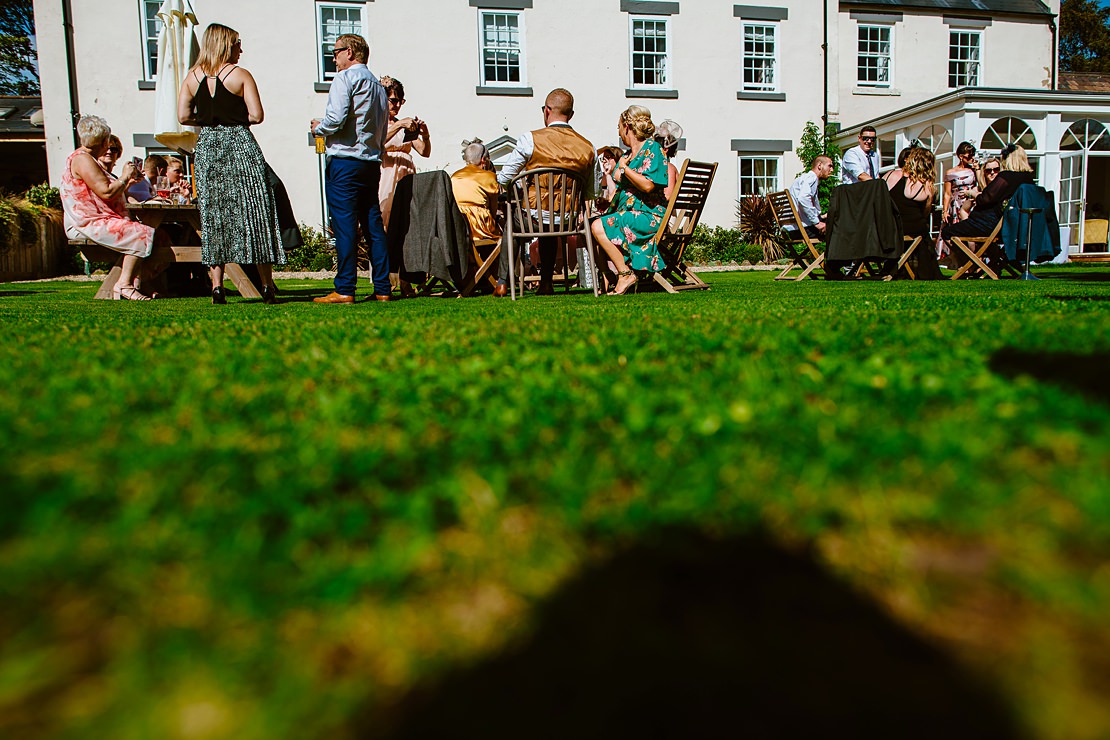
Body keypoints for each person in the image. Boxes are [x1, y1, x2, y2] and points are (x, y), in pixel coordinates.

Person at [179, 22, 284, 305]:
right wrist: (234, 119)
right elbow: (257, 115)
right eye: (237, 43)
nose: (241, 49)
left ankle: (217, 286)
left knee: (214, 215)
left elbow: (182, 116)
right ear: (226, 45)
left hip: (208, 147)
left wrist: (208, 121)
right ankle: (266, 284)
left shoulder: (192, 77)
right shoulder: (241, 76)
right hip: (239, 143)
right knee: (256, 210)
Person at [309, 33, 390, 304]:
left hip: (344, 161)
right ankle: (382, 289)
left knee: (344, 226)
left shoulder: (345, 79)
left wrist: (318, 128)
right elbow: (383, 127)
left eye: (336, 52)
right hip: (370, 163)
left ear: (351, 53)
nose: (333, 58)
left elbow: (336, 118)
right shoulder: (379, 88)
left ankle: (344, 288)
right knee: (373, 227)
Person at [493, 87, 595, 297]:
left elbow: (504, 178)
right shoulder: (587, 147)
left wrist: (522, 187)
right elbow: (591, 192)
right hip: (567, 219)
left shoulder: (530, 139)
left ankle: (503, 281)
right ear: (571, 115)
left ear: (547, 111)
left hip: (533, 215)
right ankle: (546, 282)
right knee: (550, 222)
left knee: (513, 221)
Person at [60, 115, 170, 300]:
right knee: (142, 232)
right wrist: (125, 176)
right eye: (108, 142)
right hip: (89, 223)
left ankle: (139, 282)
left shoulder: (89, 160)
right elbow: (106, 192)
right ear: (103, 141)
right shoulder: (82, 159)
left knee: (160, 236)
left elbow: (105, 193)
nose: (109, 147)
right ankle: (124, 285)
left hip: (101, 219)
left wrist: (126, 184)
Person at [590, 105, 669, 296]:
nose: (618, 132)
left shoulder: (653, 148)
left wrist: (625, 169)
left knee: (598, 226)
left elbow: (648, 185)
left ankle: (625, 274)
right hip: (630, 214)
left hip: (649, 216)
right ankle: (609, 276)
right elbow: (616, 176)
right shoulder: (627, 156)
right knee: (592, 226)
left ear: (627, 126)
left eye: (618, 127)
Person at [378, 75, 430, 294]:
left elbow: (424, 152)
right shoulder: (379, 121)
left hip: (406, 172)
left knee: (408, 227)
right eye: (393, 100)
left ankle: (407, 279)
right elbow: (377, 141)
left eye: (400, 101)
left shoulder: (404, 125)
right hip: (387, 173)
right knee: (385, 225)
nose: (397, 105)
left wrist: (424, 135)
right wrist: (398, 124)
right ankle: (385, 279)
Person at [941, 144, 1036, 245]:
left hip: (989, 224)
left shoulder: (1006, 177)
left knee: (947, 232)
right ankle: (990, 259)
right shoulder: (1029, 179)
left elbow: (984, 199)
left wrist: (972, 193)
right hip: (1015, 225)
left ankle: (967, 260)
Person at [883, 147, 943, 280]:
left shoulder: (891, 175)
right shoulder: (926, 184)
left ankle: (899, 268)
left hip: (888, 226)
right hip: (908, 227)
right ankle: (925, 270)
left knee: (919, 230)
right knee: (922, 230)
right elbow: (926, 212)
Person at [450, 139, 501, 243]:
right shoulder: (489, 176)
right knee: (504, 235)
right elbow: (493, 209)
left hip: (457, 225)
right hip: (479, 225)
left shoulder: (454, 176)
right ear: (483, 160)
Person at [787, 155, 835, 239]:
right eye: (829, 166)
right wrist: (817, 223)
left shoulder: (802, 178)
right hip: (802, 230)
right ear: (819, 165)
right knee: (841, 229)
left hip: (792, 229)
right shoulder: (812, 178)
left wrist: (822, 217)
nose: (832, 170)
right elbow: (803, 198)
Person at [942, 141, 980, 224]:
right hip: (956, 202)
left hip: (971, 201)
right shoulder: (951, 172)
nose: (972, 158)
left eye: (973, 155)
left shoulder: (973, 170)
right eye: (969, 156)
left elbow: (981, 184)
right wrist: (945, 211)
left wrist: (977, 169)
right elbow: (947, 193)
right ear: (961, 156)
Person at [654, 119, 683, 200]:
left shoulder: (668, 168)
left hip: (662, 209)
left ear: (665, 150)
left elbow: (668, 195)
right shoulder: (668, 167)